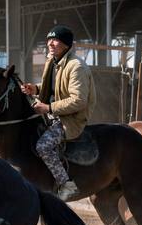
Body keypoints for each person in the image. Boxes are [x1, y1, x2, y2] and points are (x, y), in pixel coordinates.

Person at [20, 25, 96, 201]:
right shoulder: (54, 62)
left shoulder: (76, 67)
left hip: (70, 120)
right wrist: (35, 89)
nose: (50, 43)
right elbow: (54, 90)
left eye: (55, 40)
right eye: (49, 40)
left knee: (43, 146)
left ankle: (66, 184)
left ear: (66, 45)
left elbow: (78, 101)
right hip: (53, 115)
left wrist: (48, 108)